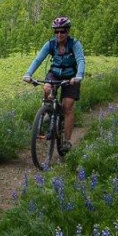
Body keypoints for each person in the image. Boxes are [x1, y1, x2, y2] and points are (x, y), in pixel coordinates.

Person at [22, 16, 85, 153]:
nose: (59, 34)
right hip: (55, 73)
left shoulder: (75, 44)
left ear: (67, 31)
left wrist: (79, 76)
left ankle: (67, 141)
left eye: (62, 31)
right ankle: (48, 111)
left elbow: (80, 60)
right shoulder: (50, 44)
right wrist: (28, 74)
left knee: (67, 106)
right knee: (47, 87)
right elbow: (38, 59)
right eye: (56, 32)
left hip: (71, 77)